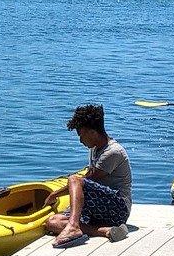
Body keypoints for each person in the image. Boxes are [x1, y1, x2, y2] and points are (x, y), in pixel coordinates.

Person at [47, 103, 133, 247]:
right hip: (99, 208)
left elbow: (86, 180)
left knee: (75, 179)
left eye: (81, 135)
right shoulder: (95, 149)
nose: (80, 140)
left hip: (118, 208)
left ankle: (73, 227)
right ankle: (106, 231)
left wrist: (55, 194)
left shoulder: (113, 152)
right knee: (52, 222)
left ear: (93, 132)